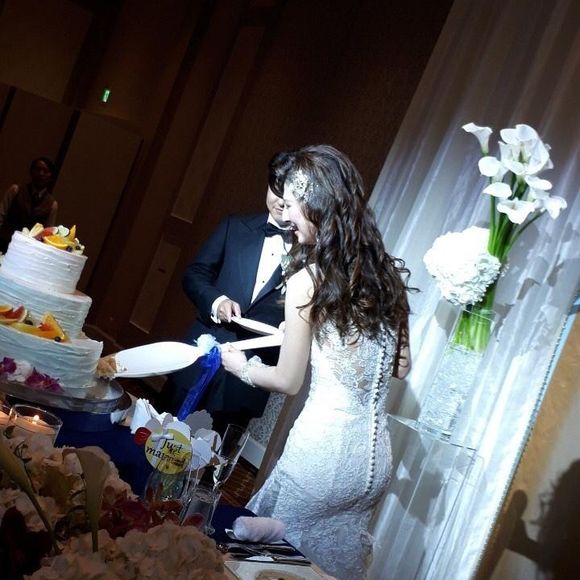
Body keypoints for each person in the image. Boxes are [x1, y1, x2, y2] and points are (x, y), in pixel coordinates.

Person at [221, 144, 412, 579]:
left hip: (322, 456)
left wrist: (241, 366)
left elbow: (288, 381)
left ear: (317, 204)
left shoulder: (309, 277)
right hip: (373, 464)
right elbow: (399, 367)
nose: (285, 214)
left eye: (292, 205)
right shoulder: (386, 276)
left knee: (267, 566)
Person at [165, 151, 295, 432]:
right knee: (158, 436)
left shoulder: (311, 253)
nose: (280, 201)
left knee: (215, 451)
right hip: (201, 356)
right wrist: (217, 301)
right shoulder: (235, 227)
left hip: (249, 374)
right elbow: (194, 274)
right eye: (276, 190)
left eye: (289, 195)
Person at [0, 157, 58, 252]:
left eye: (45, 171)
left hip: (27, 250)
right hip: (4, 242)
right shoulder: (15, 190)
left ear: (50, 176)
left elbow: (47, 233)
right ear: (31, 171)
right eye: (38, 169)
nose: (41, 173)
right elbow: (1, 214)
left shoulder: (52, 204)